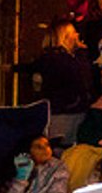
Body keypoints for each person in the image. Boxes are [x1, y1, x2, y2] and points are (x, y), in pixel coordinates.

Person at [19, 17, 97, 147]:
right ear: (65, 36)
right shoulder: (58, 58)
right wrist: (82, 52)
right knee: (62, 146)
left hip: (70, 109)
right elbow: (80, 76)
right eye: (73, 33)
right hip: (65, 110)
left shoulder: (56, 57)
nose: (77, 35)